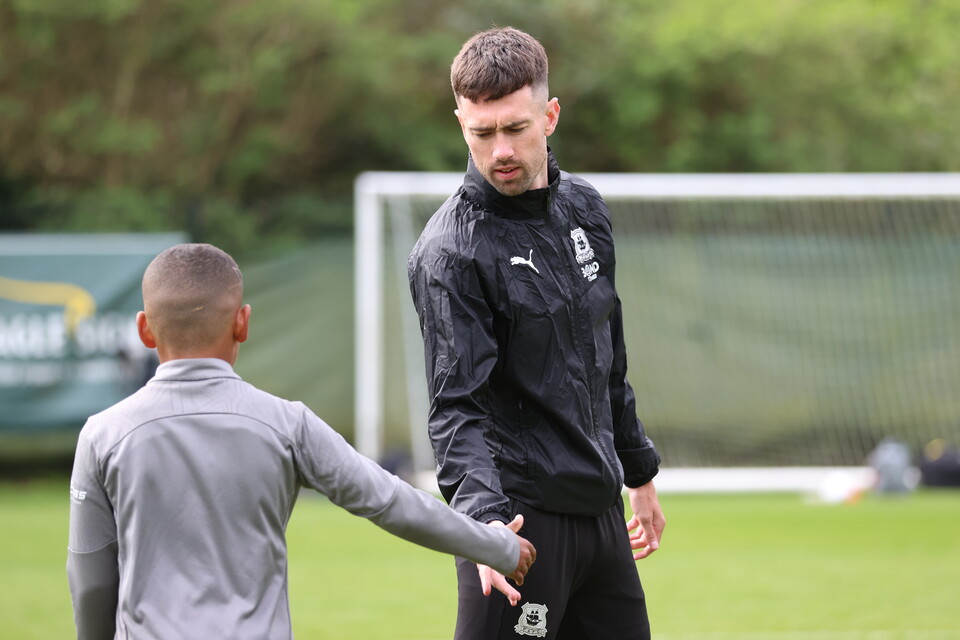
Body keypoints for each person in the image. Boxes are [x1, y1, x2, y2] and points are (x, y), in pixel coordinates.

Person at [66, 243, 536, 640]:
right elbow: (392, 502)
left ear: (144, 329)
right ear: (243, 323)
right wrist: (497, 546)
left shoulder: (102, 435)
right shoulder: (286, 424)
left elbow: (89, 583)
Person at [407, 27, 665, 639]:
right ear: (461, 125)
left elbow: (608, 356)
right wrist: (485, 525)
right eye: (482, 133)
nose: (500, 150)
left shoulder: (586, 210)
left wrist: (640, 473)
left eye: (515, 128)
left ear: (549, 116)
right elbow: (455, 409)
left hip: (602, 518)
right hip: (518, 527)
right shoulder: (450, 251)